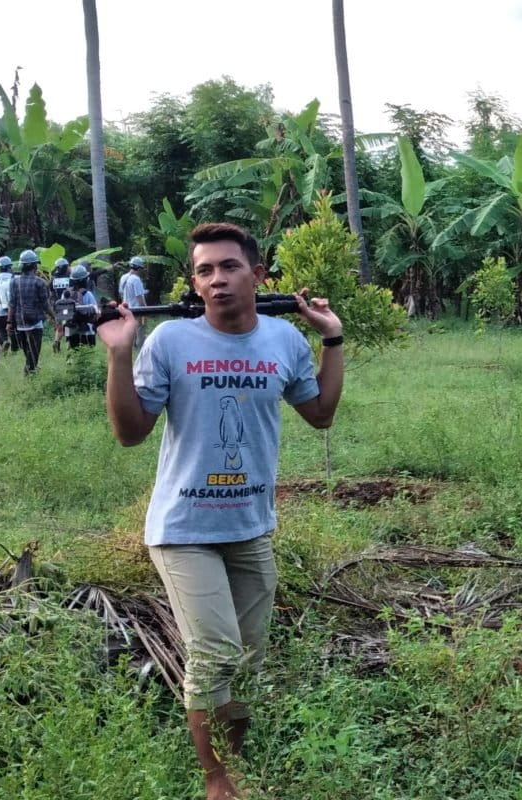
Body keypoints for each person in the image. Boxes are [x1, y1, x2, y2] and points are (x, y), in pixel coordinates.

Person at [98, 222, 344, 800]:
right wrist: (119, 354)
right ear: (194, 282)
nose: (217, 279)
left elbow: (322, 415)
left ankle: (239, 758)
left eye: (229, 266)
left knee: (249, 658)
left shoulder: (283, 339)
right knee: (214, 652)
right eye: (204, 270)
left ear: (257, 275)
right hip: (184, 529)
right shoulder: (171, 341)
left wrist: (332, 341)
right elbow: (131, 433)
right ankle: (218, 780)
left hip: (250, 526)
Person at [7, 248, 54, 375]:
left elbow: (12, 303)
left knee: (28, 350)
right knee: (34, 351)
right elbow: (45, 304)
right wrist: (54, 317)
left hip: (20, 322)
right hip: (35, 322)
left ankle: (31, 369)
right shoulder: (40, 282)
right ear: (35, 265)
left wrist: (9, 322)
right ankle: (29, 372)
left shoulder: (14, 282)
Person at [118, 256, 148, 350]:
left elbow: (122, 292)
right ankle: (140, 349)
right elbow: (139, 297)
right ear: (139, 268)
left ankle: (129, 348)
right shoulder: (136, 279)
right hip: (136, 310)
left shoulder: (123, 277)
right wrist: (146, 310)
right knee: (140, 330)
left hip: (126, 309)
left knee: (130, 331)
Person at [65, 263, 98, 348]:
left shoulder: (66, 294)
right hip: (87, 328)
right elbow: (96, 311)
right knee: (88, 352)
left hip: (70, 328)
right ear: (85, 279)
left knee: (72, 351)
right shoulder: (88, 294)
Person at [0, 256, 18, 353]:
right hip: (14, 310)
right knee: (14, 329)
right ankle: (15, 348)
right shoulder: (15, 278)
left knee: (0, 330)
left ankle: (4, 341)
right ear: (9, 267)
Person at [51, 257, 71, 353]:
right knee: (68, 324)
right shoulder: (70, 279)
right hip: (67, 304)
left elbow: (51, 291)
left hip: (57, 304)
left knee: (59, 325)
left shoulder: (54, 279)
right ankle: (68, 343)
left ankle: (56, 341)